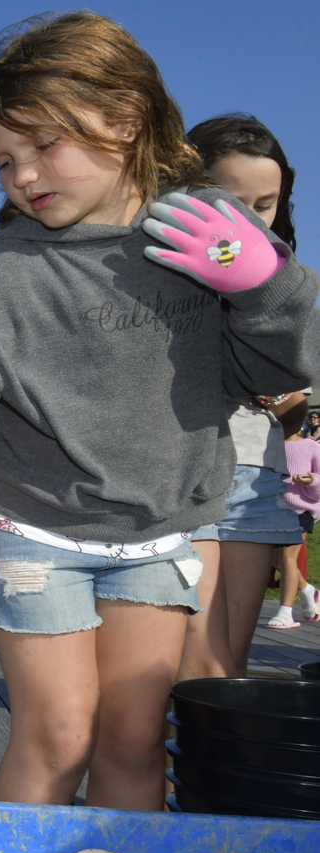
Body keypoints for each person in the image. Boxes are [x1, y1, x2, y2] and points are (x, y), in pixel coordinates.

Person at [0, 13, 320, 811]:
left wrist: (264, 285)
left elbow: (279, 370)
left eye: (44, 145)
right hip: (29, 528)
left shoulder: (205, 234)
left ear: (125, 120)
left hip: (157, 530)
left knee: (137, 738)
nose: (23, 175)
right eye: (3, 159)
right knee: (60, 733)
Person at [179, 116, 308, 663]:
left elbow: (296, 383)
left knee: (227, 663)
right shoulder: (158, 270)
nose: (253, 220)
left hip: (256, 475)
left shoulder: (282, 276)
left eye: (266, 203)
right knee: (192, 661)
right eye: (233, 201)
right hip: (186, 476)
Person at [273, 427, 320, 627]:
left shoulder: (311, 446)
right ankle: (309, 591)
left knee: (286, 559)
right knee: (276, 561)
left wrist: (311, 481)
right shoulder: (271, 445)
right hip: (272, 511)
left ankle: (285, 613)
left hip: (300, 511)